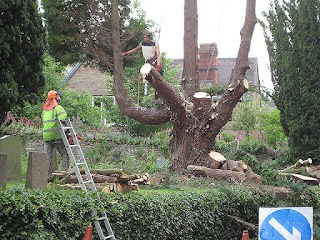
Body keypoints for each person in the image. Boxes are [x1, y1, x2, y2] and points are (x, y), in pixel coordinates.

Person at [42, 90, 69, 174]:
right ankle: (63, 175)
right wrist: (68, 130)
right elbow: (64, 120)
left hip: (46, 137)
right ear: (57, 98)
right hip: (56, 136)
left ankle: (43, 178)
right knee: (64, 155)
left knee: (47, 158)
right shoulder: (58, 108)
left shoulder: (44, 111)